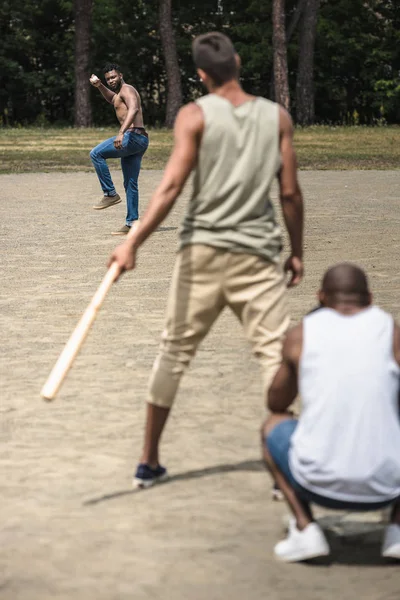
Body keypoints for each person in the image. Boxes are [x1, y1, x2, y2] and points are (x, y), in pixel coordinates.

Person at [108, 32, 304, 488]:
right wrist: (296, 253)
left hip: (201, 254)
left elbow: (172, 187)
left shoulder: (193, 114)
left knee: (173, 353)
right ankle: (285, 472)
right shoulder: (276, 116)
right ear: (236, 61)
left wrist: (133, 242)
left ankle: (148, 462)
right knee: (275, 357)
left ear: (200, 74)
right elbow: (290, 193)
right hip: (258, 254)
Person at [262, 263, 400, 562]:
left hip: (315, 481)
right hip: (389, 486)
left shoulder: (302, 334)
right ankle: (397, 532)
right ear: (370, 297)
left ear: (321, 296)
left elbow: (276, 402)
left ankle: (305, 527)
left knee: (273, 425)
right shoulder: (390, 331)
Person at [89, 63, 149, 235]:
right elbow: (112, 100)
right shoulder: (118, 94)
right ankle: (132, 224)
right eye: (108, 79)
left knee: (96, 153)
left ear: (121, 75)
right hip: (139, 140)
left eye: (113, 77)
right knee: (130, 183)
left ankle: (110, 194)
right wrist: (99, 85)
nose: (111, 80)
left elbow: (134, 108)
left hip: (133, 136)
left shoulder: (128, 89)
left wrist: (121, 133)